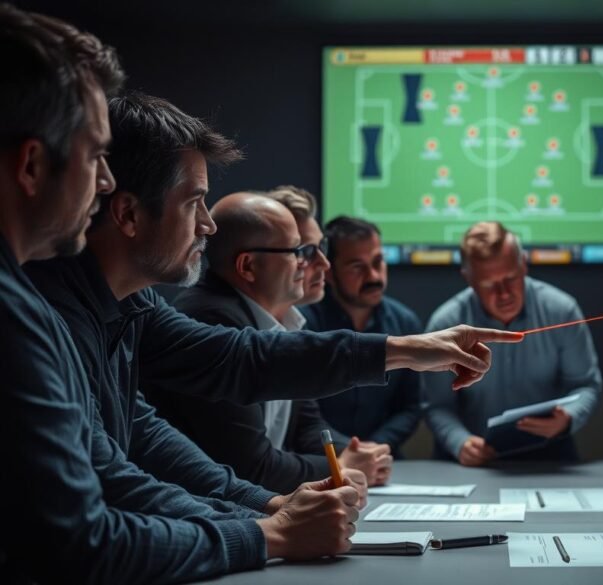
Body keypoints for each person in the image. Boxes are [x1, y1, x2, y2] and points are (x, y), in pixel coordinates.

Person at [23, 90, 519, 560]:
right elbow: (109, 500)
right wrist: (267, 530)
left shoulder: (129, 303)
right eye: (194, 202)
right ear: (129, 214)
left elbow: (155, 423)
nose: (207, 225)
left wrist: (265, 506)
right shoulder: (46, 314)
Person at [0, 6, 360, 583]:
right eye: (94, 156)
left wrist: (262, 515)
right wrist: (266, 531)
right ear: (33, 165)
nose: (105, 182)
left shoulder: (98, 304)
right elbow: (82, 540)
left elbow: (130, 452)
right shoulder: (30, 313)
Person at [152, 192, 391, 491]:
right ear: (248, 266)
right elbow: (252, 468)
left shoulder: (283, 320)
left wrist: (353, 454)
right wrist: (340, 467)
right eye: (301, 251)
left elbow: (307, 426)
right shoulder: (212, 318)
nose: (322, 264)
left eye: (320, 249)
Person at [422, 221, 602, 465]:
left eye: (511, 278)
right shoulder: (445, 324)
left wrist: (568, 416)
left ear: (524, 264)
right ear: (468, 278)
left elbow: (586, 385)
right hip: (472, 465)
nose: (504, 293)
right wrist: (460, 442)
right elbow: (437, 405)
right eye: (489, 284)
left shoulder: (562, 311)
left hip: (550, 459)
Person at [302, 215, 422, 459]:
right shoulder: (304, 324)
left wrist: (374, 448)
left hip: (383, 460)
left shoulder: (405, 322)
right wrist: (347, 450)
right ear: (329, 273)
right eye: (357, 267)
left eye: (378, 262)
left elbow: (411, 406)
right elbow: (302, 412)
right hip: (320, 462)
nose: (374, 277)